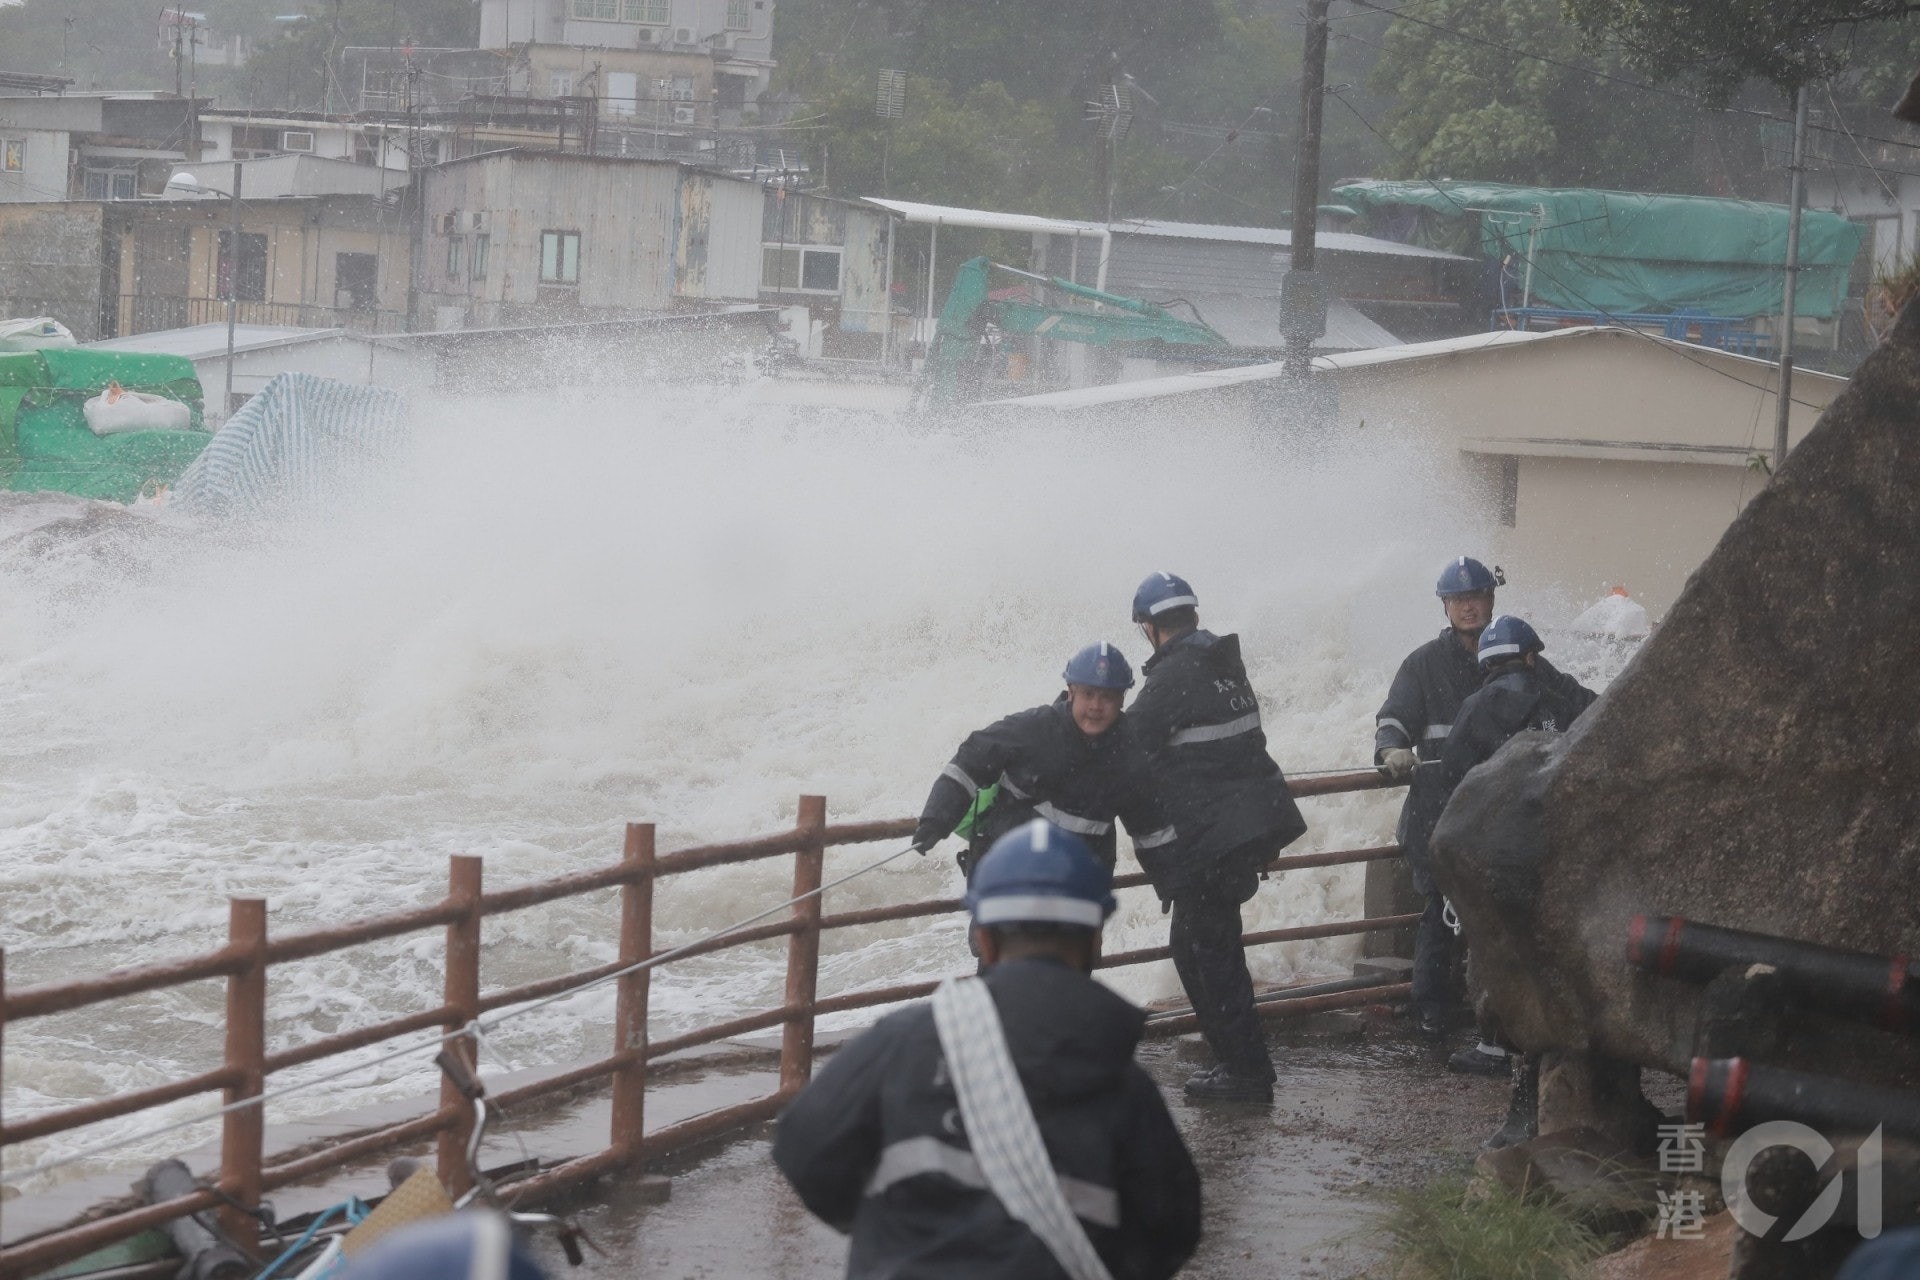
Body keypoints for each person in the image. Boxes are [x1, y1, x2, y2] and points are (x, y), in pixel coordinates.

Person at [771, 820, 1203, 1280]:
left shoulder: (904, 1042)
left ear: (985, 940)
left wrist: (884, 1232)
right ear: (1095, 938)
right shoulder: (1125, 1086)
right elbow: (1170, 1231)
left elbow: (804, 1146)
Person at [1373, 557, 1589, 1047]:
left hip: (1506, 816)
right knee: (1441, 908)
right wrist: (1391, 748)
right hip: (1442, 807)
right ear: (1446, 607)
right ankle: (1433, 1011)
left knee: (1502, 914)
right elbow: (1394, 716)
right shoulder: (1423, 664)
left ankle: (1494, 1016)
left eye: (1477, 597)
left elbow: (1580, 706)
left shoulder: (1526, 663)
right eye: (1459, 600)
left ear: (1491, 601)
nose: (1469, 606)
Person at [1127, 572, 1306, 1104]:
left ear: (1149, 626)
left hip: (1213, 838)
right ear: (1193, 617)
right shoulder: (1222, 662)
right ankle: (1235, 1060)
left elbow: (1130, 742)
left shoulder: (1175, 673)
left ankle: (1247, 1072)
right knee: (1196, 946)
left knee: (1211, 953)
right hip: (1246, 824)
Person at [1438, 614, 1597, 1142]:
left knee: (1503, 964)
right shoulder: (1563, 699)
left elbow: (1452, 781)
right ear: (1531, 655)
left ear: (1484, 665)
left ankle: (1519, 1092)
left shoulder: (1477, 706)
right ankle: (1564, 1078)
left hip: (1498, 862)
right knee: (1554, 965)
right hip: (1559, 857)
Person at [909, 642, 1176, 879]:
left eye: (1107, 697)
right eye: (1088, 694)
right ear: (1071, 692)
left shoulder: (1131, 755)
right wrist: (935, 820)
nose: (1096, 706)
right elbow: (969, 762)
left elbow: (1150, 828)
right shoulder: (1032, 730)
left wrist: (1171, 882)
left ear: (1122, 699)